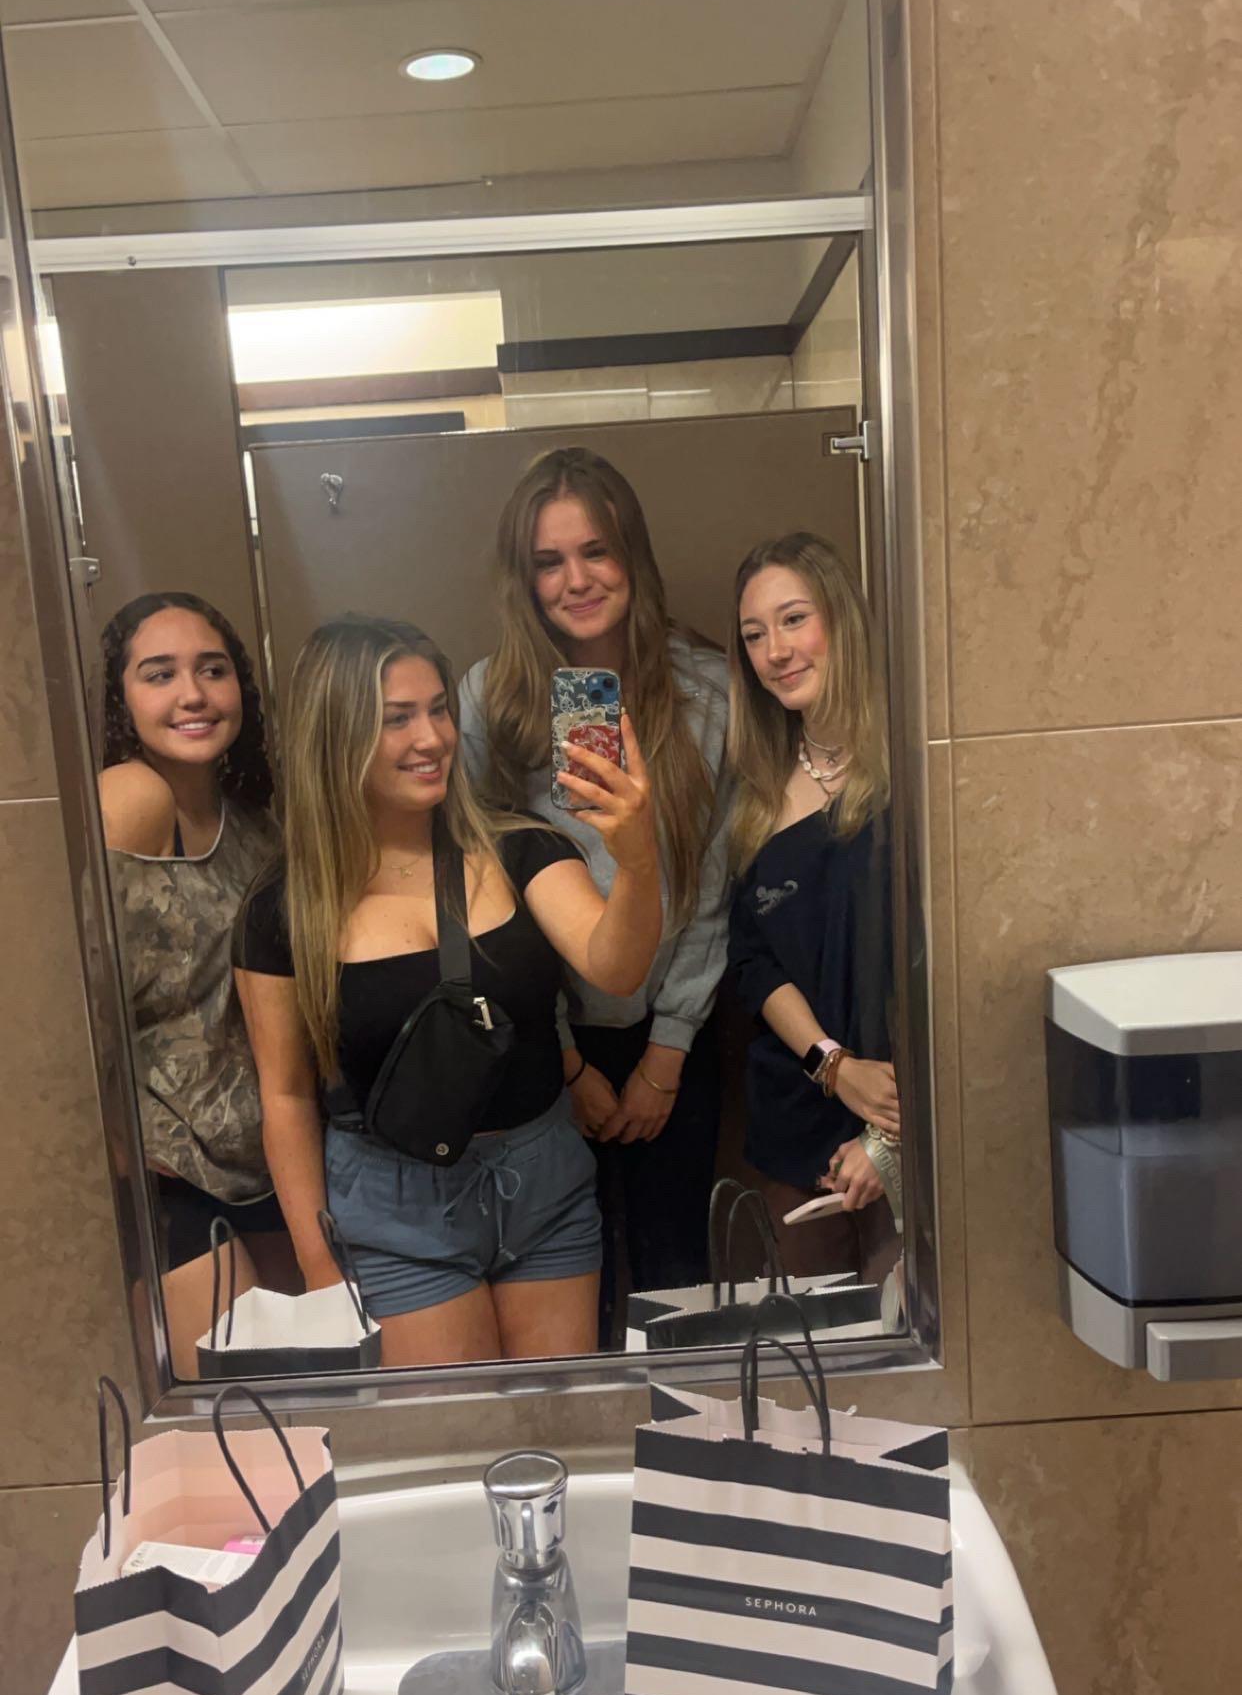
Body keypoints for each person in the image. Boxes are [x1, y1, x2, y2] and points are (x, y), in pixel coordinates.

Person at [233, 614, 661, 1369]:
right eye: (396, 719)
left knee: (552, 1434)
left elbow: (616, 966)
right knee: (450, 1449)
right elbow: (287, 1097)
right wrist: (317, 1264)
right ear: (334, 737)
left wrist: (638, 861)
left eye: (438, 710)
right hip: (392, 1208)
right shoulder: (283, 911)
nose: (430, 738)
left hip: (545, 1189)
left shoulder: (520, 847)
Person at [459, 446, 730, 1334]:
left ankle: (679, 1460)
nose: (576, 579)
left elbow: (715, 879)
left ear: (632, 557)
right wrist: (565, 1057)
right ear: (524, 577)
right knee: (565, 1281)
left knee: (675, 1273)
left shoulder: (709, 691)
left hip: (676, 1034)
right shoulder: (489, 702)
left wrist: (668, 1053)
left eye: (597, 551)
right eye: (549, 560)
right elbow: (482, 899)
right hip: (543, 1049)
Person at [98, 591, 289, 1376]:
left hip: (269, 1160)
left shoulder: (254, 819)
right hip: (175, 1173)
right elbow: (77, 1004)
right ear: (120, 700)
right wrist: (123, 1154)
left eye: (212, 670)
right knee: (242, 1419)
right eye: (159, 674)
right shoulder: (130, 798)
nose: (192, 694)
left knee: (313, 1408)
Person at [725, 532, 900, 1285]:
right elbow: (750, 961)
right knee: (815, 1366)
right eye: (755, 635)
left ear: (841, 622)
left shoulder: (913, 763)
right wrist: (833, 1067)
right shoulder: (755, 790)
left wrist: (892, 1138)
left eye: (794, 620)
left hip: (910, 1118)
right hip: (796, 1125)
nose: (776, 651)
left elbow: (944, 960)